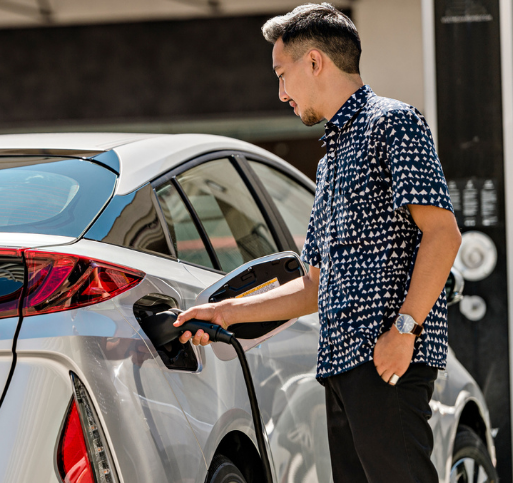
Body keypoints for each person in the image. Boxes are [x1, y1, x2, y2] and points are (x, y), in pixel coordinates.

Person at [174, 3, 462, 482]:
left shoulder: (393, 123)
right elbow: (313, 289)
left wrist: (404, 331)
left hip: (385, 359)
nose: (281, 92)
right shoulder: (330, 159)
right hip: (342, 369)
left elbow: (443, 233)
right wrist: (224, 313)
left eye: (282, 74)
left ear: (314, 62)